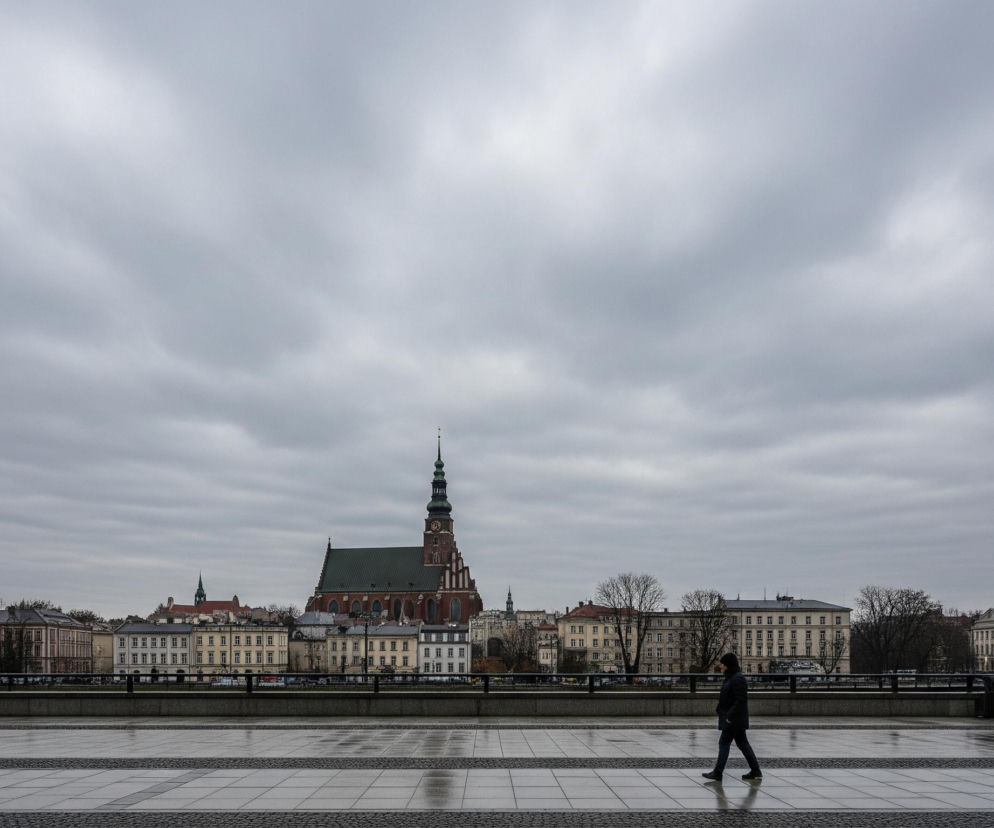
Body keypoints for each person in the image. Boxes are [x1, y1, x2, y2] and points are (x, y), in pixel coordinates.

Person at [701, 652, 763, 781]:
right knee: (742, 743)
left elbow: (741, 700)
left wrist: (729, 715)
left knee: (724, 742)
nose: (720, 666)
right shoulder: (731, 677)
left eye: (722, 664)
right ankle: (756, 770)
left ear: (728, 665)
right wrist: (720, 708)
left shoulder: (737, 678)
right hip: (733, 718)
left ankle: (718, 772)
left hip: (733, 719)